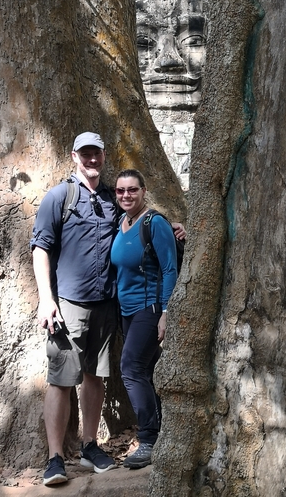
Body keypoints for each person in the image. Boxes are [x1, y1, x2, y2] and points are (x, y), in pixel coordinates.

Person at [31, 133, 185, 486]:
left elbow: (145, 223)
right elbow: (40, 248)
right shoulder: (60, 196)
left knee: (96, 377)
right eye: (85, 154)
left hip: (106, 305)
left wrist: (178, 226)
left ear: (103, 156)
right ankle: (55, 458)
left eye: (96, 154)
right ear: (74, 156)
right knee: (60, 379)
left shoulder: (111, 199)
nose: (91, 160)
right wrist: (46, 298)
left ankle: (89, 446)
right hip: (67, 303)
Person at [110, 169, 178, 469]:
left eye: (132, 190)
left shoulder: (155, 223)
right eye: (121, 190)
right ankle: (162, 432)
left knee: (131, 368)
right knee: (146, 370)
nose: (126, 195)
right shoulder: (121, 223)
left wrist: (166, 313)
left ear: (144, 191)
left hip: (149, 309)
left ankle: (148, 439)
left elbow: (169, 269)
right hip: (126, 312)